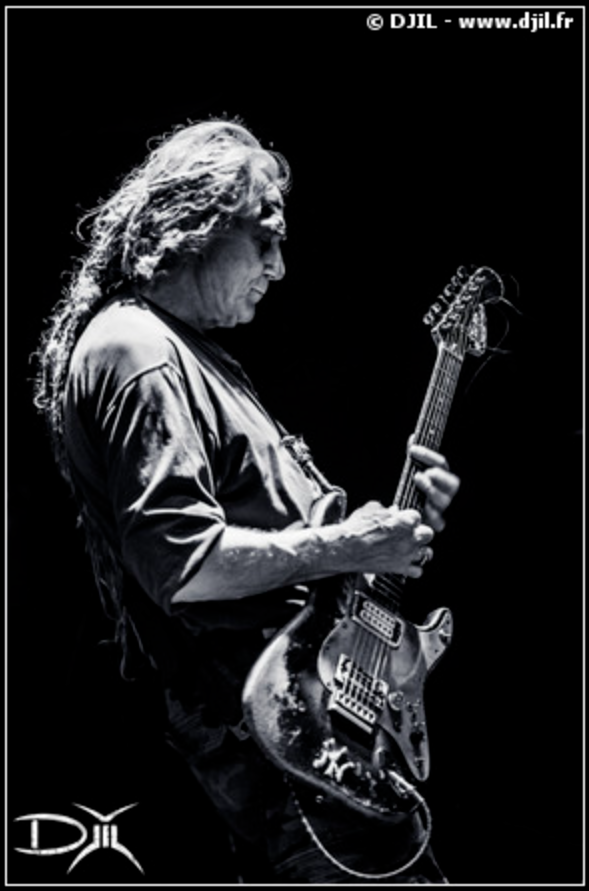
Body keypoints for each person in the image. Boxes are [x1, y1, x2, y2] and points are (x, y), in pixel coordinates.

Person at [34, 118, 461, 883]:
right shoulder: (137, 348)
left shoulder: (197, 356)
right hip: (277, 751)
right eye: (265, 238)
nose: (279, 266)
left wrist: (388, 536)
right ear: (192, 224)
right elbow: (185, 564)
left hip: (312, 748)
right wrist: (349, 545)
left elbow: (294, 558)